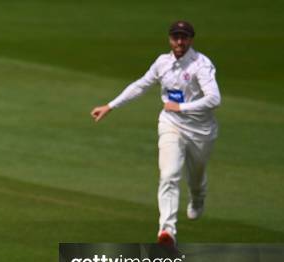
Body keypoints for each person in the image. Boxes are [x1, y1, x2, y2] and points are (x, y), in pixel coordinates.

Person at [91, 21, 221, 246]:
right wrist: (110, 106)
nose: (179, 41)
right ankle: (167, 231)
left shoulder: (201, 64)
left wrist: (182, 107)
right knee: (169, 175)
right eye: (175, 37)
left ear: (191, 39)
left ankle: (198, 198)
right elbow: (141, 85)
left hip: (201, 130)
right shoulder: (163, 63)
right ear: (170, 39)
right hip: (171, 124)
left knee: (196, 176)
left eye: (184, 37)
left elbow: (214, 98)